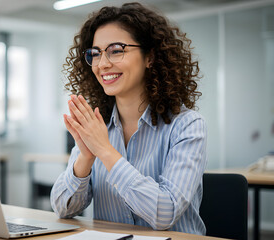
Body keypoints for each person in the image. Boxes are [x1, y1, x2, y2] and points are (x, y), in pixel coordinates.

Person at [50, 2, 207, 235]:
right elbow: (63, 208)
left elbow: (164, 213)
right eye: (95, 53)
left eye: (116, 50)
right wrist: (85, 157)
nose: (102, 64)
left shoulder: (187, 125)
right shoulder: (97, 125)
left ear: (150, 57)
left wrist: (105, 151)